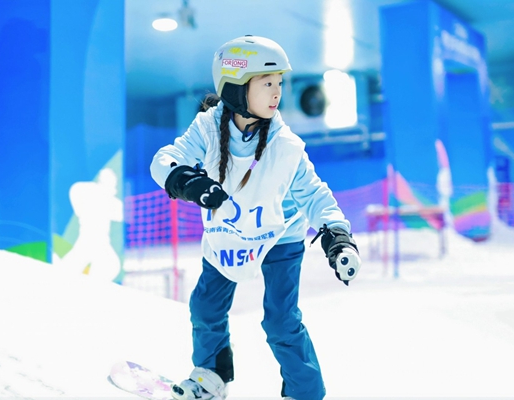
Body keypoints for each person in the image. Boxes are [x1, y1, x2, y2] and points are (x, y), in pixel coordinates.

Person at [150, 35, 361, 400]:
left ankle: (305, 392)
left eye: (279, 83)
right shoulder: (207, 128)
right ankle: (210, 377)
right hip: (230, 231)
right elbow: (165, 161)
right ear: (236, 87)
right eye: (266, 83)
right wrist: (189, 183)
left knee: (280, 319)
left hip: (281, 234)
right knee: (205, 307)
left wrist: (337, 237)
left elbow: (314, 194)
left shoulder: (285, 145)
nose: (277, 92)